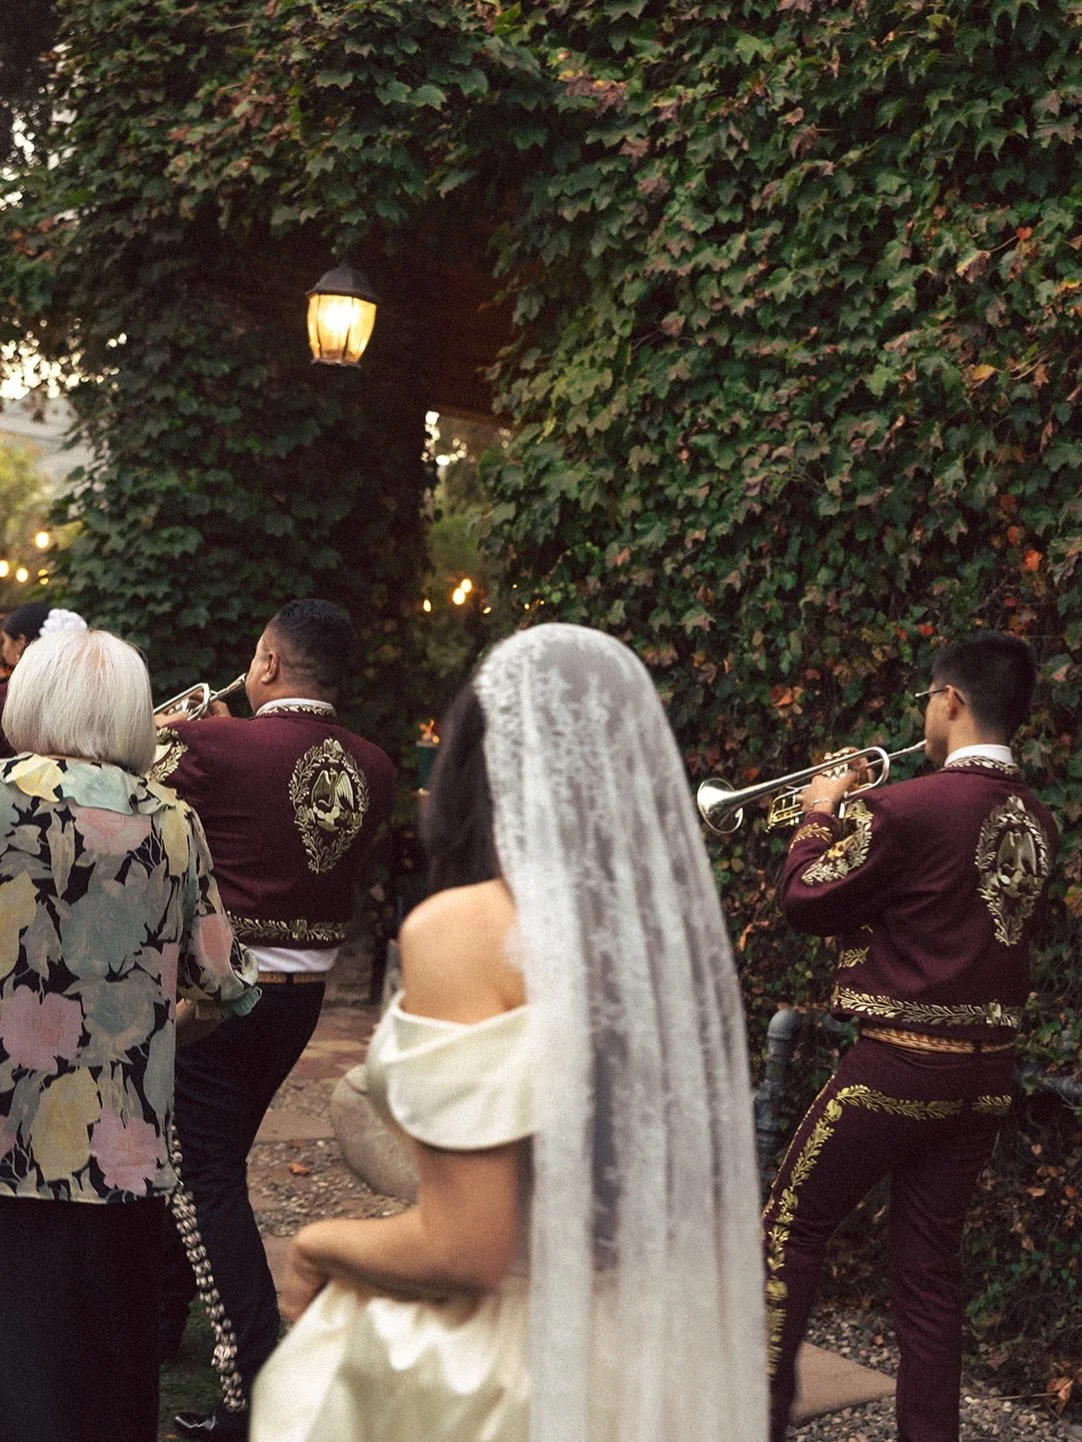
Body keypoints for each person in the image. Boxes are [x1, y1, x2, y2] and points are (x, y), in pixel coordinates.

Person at [249, 623, 769, 1442]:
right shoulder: (656, 943)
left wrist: (317, 1244)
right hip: (641, 1357)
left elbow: (466, 1248)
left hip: (511, 1369)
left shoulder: (466, 928)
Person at [763, 631, 1059, 1442]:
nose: (924, 712)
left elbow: (807, 899)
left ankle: (754, 1419)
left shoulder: (909, 804)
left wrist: (820, 811)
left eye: (929, 697)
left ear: (951, 701)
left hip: (893, 1070)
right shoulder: (1038, 823)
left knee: (790, 1229)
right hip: (985, 1080)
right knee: (929, 1273)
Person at [0, 626, 259, 1442]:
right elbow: (230, 983)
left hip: (5, 1136)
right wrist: (165, 1018)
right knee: (104, 1378)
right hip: (122, 1147)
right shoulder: (173, 824)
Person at [153, 598, 396, 1440]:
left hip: (218, 1001)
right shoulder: (376, 764)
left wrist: (192, 734)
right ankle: (160, 1321)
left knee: (200, 1174)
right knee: (202, 1162)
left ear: (265, 661)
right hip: (302, 1004)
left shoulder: (213, 744)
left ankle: (256, 1379)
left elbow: (134, 806)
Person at [0, 602, 87, 756]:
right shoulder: (82, 690)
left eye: (4, 641)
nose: (3, 649)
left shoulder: (9, 694)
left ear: (21, 642)